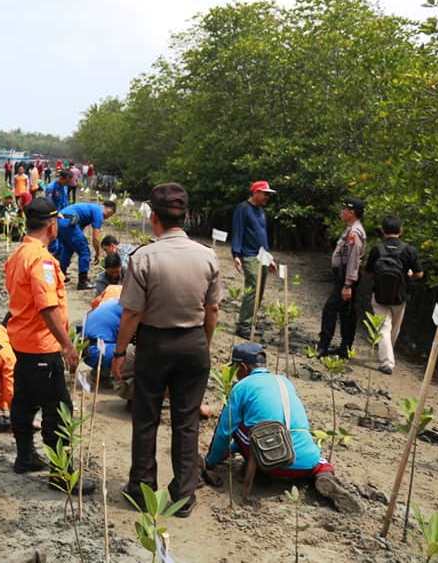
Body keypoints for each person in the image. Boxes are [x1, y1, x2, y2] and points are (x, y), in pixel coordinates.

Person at [111, 183, 221, 517]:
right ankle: (183, 495)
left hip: (155, 344)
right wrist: (203, 343)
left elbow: (132, 313)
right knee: (187, 421)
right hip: (193, 342)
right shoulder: (207, 256)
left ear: (154, 218)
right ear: (184, 217)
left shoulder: (143, 257)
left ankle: (142, 490)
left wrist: (119, 353)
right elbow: (213, 310)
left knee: (146, 418)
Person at [203, 343, 361, 513]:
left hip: (271, 460)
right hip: (305, 463)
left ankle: (260, 471)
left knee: (237, 424)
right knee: (311, 452)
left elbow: (224, 432)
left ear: (243, 367)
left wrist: (210, 462)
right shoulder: (285, 381)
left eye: (236, 369)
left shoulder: (242, 386)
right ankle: (323, 474)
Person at [4, 197, 94, 494]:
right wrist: (67, 346)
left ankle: (25, 457)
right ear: (52, 226)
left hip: (21, 343)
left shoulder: (19, 253)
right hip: (41, 346)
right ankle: (61, 474)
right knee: (58, 409)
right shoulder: (40, 260)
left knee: (24, 400)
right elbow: (47, 307)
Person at [364, 216, 423, 374]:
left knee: (383, 327)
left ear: (383, 231)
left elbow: (368, 272)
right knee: (393, 329)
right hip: (400, 296)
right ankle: (388, 360)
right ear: (401, 230)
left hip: (379, 295)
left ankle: (386, 359)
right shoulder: (409, 250)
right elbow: (419, 273)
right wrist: (408, 276)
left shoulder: (377, 249)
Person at [317, 198, 367, 358]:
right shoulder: (350, 229)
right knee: (346, 312)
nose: (341, 212)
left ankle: (324, 345)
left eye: (344, 209)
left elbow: (353, 260)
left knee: (331, 309)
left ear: (351, 212)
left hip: (346, 277)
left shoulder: (354, 233)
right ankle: (344, 348)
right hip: (344, 276)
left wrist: (347, 285)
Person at [232, 180, 277, 338]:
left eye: (268, 195)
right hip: (249, 255)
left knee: (260, 290)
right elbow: (237, 231)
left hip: (262, 256)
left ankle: (250, 323)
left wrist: (269, 258)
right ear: (256, 192)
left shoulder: (261, 211)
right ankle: (243, 326)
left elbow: (262, 236)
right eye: (265, 194)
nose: (267, 197)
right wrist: (236, 255)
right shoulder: (243, 208)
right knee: (252, 288)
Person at [56, 200, 117, 290]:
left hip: (60, 221)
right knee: (84, 251)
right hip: (69, 221)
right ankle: (82, 282)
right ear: (108, 209)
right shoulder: (99, 212)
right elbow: (95, 238)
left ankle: (61, 275)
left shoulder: (91, 208)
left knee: (68, 248)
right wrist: (97, 253)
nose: (107, 217)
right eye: (110, 214)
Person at [82, 297, 122, 374]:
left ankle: (100, 374)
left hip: (88, 349)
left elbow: (94, 303)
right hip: (100, 352)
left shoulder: (112, 299)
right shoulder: (131, 308)